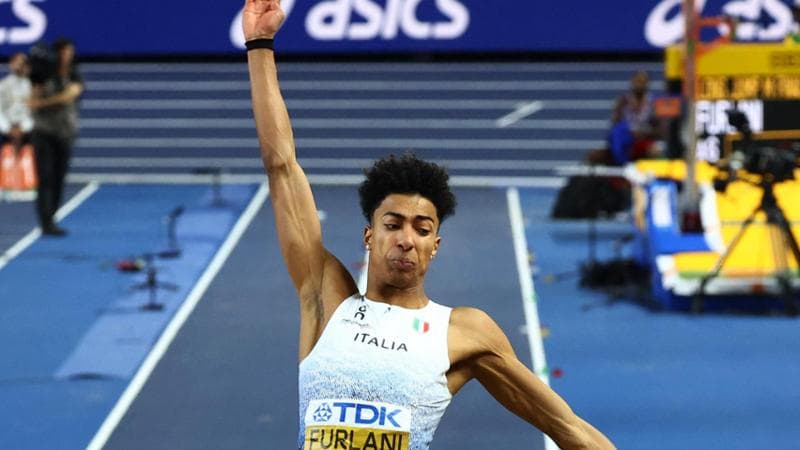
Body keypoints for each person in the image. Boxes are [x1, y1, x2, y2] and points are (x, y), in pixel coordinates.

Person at [243, 1, 616, 449]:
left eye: (421, 229)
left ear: (435, 245)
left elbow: (568, 428)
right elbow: (282, 165)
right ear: (369, 235)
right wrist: (260, 44)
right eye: (393, 224)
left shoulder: (462, 332)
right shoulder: (326, 298)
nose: (406, 240)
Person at [28, 38, 83, 236]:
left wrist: (45, 102)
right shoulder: (42, 74)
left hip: (65, 132)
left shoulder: (74, 73)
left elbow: (70, 95)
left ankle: (52, 216)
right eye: (64, 52)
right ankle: (46, 222)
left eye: (70, 52)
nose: (67, 56)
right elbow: (32, 100)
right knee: (45, 177)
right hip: (43, 132)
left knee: (59, 178)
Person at [606, 70, 664, 165]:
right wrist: (629, 132)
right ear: (632, 82)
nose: (639, 85)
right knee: (618, 134)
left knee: (657, 149)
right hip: (626, 140)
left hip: (645, 140)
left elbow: (661, 129)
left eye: (642, 82)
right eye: (637, 81)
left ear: (648, 84)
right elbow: (614, 124)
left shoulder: (655, 103)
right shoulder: (623, 102)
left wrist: (644, 133)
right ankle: (621, 162)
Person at [0, 52, 34, 149]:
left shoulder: (32, 86)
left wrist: (24, 128)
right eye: (17, 63)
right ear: (11, 64)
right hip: (6, 133)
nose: (20, 66)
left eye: (23, 63)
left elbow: (34, 110)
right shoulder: (3, 85)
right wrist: (7, 128)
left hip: (28, 133)